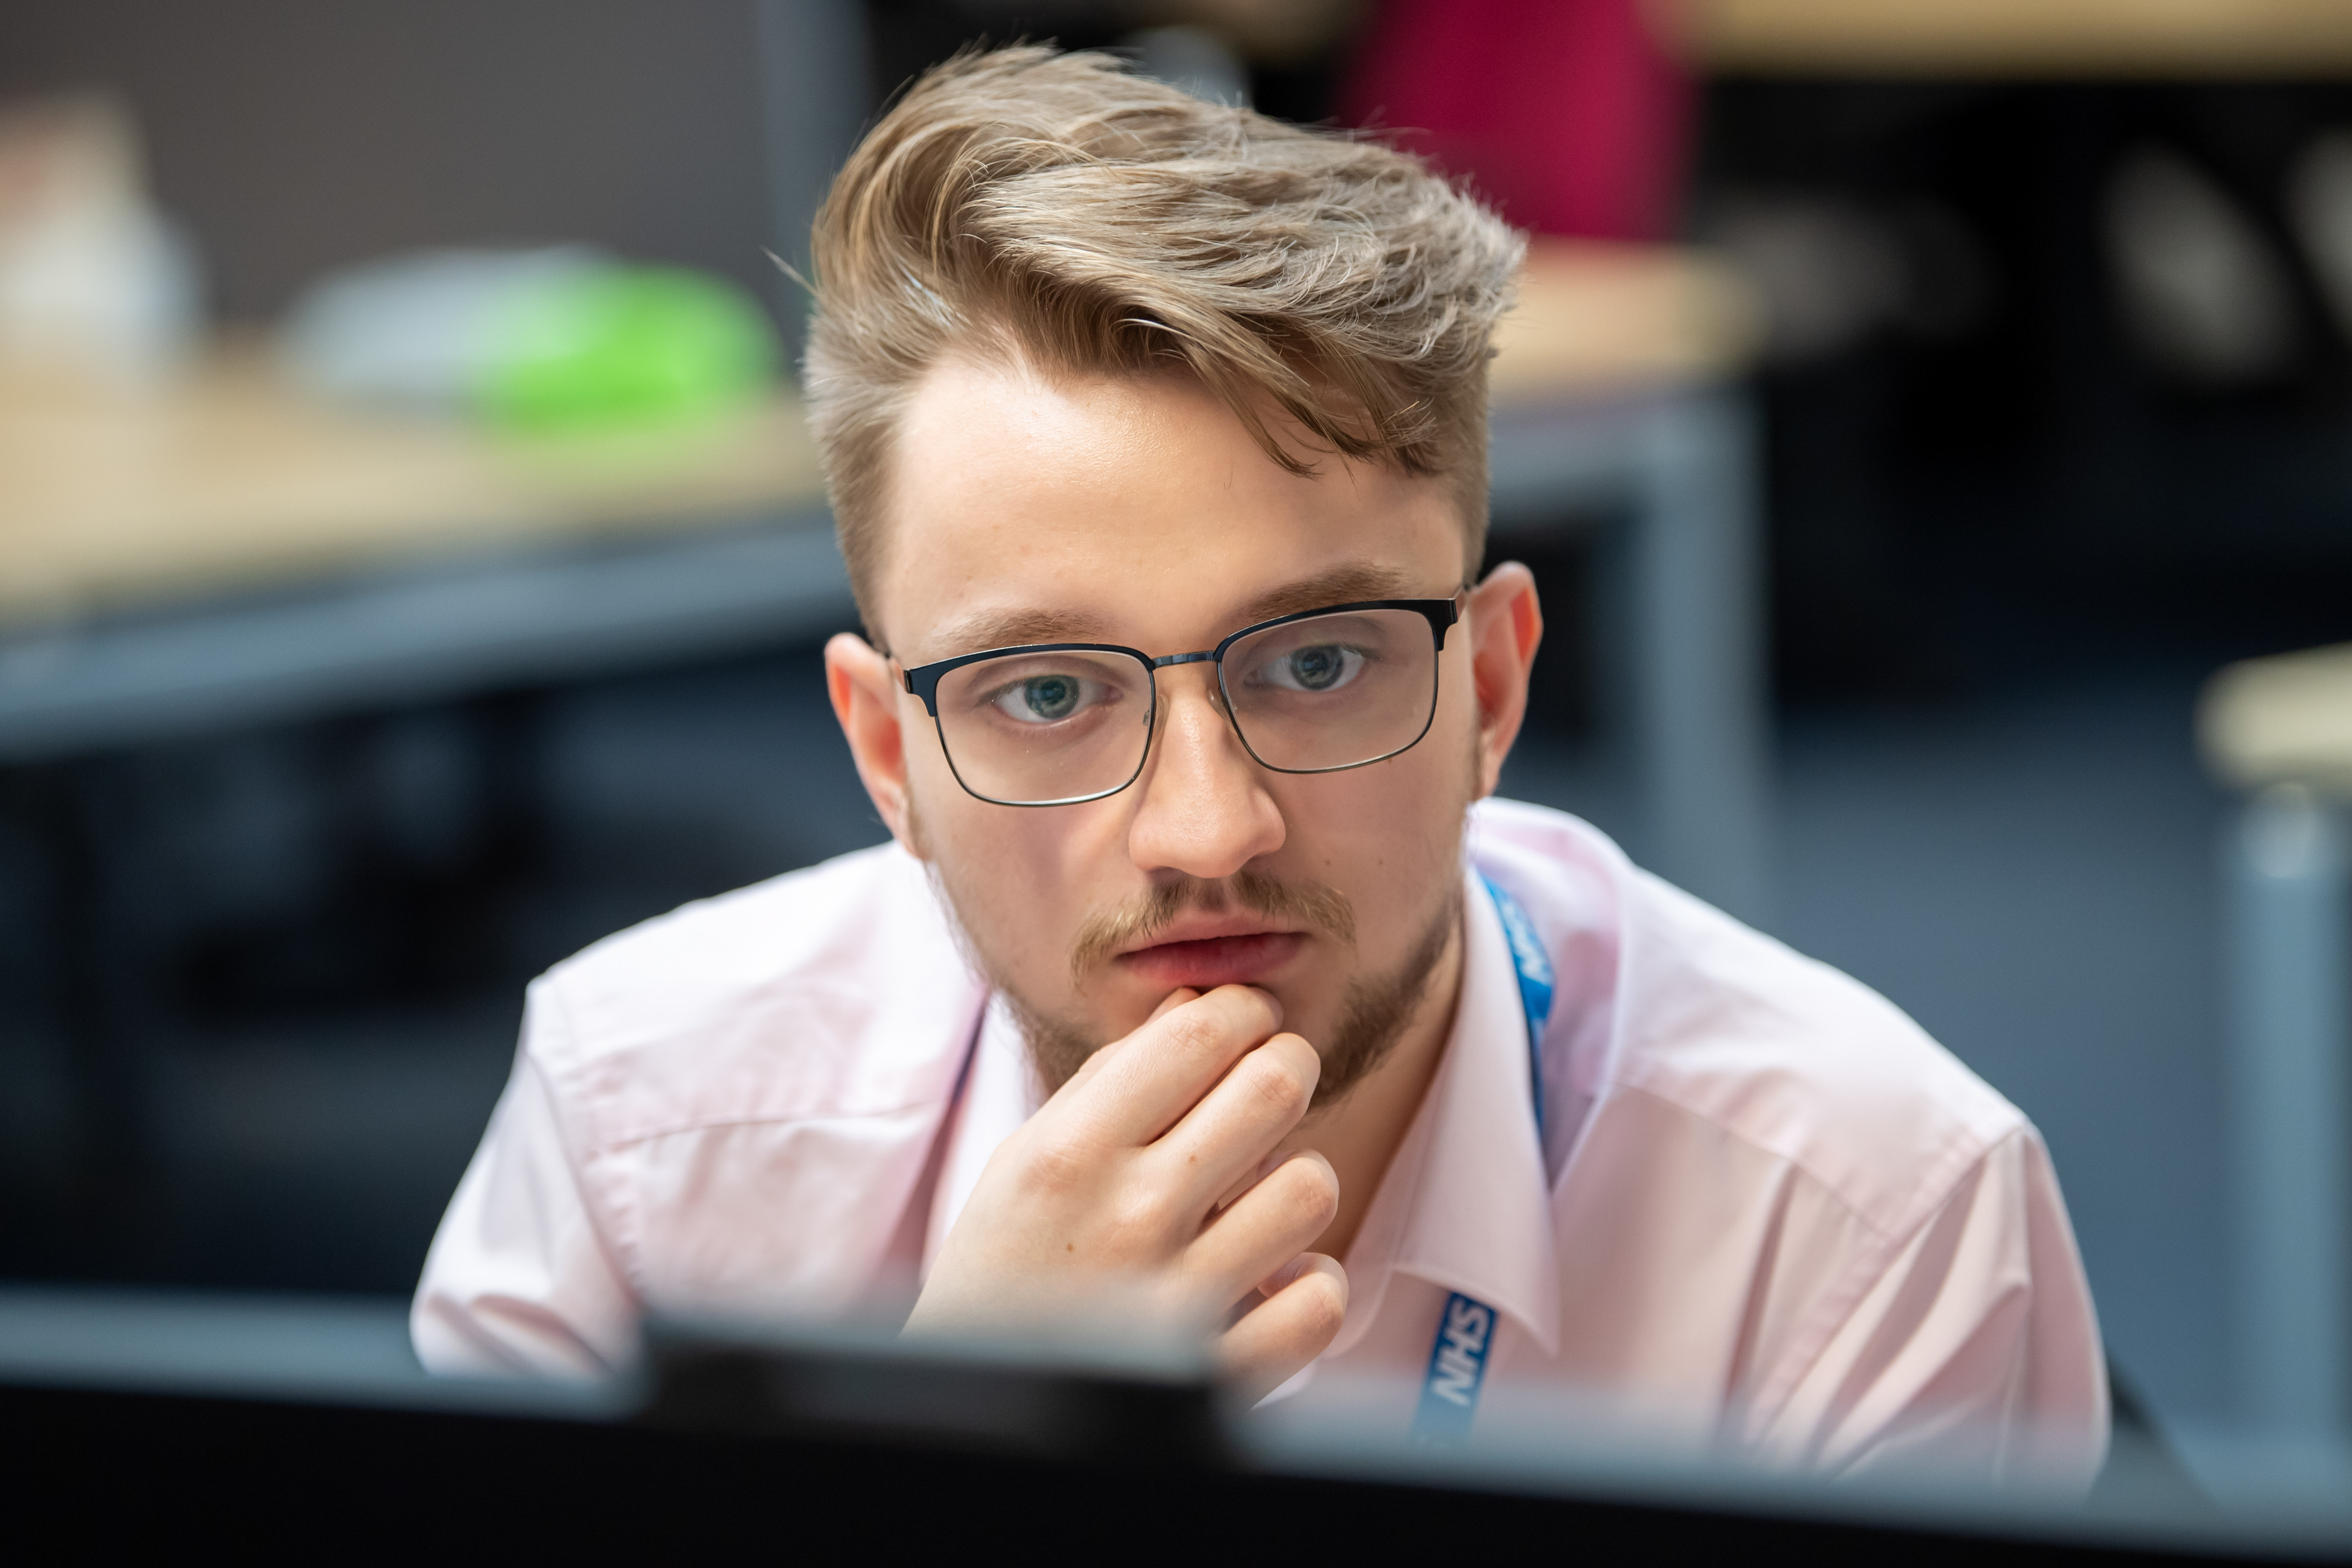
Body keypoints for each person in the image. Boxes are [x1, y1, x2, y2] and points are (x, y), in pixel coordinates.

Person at [413, 45, 2106, 1484]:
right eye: (1047, 693)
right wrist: (931, 1457)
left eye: (1314, 663)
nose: (1206, 831)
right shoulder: (649, 1122)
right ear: (887, 754)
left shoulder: (1858, 1215)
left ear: (1491, 688)